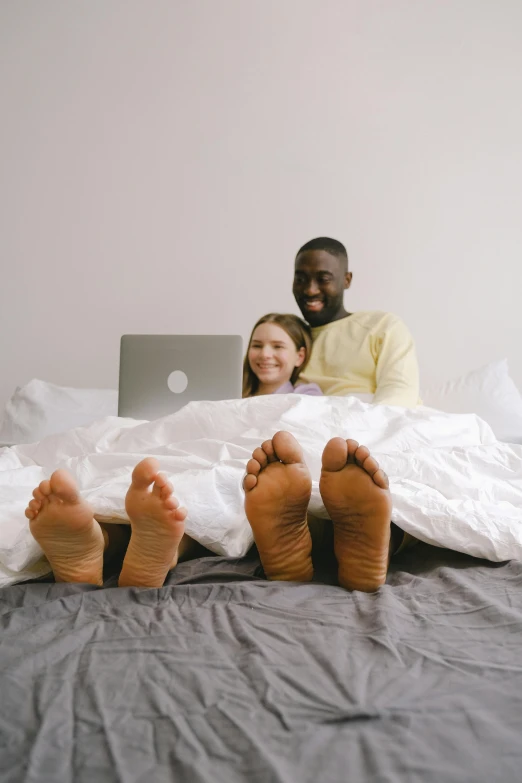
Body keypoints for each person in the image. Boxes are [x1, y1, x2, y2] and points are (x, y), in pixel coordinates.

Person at [292, 237, 420, 407]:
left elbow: (399, 394)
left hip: (365, 425)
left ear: (347, 280)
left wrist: (364, 430)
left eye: (323, 279)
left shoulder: (382, 326)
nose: (310, 290)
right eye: (301, 280)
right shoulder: (286, 338)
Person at [243, 313, 322, 397]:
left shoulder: (306, 396)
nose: (264, 354)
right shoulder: (233, 394)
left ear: (300, 356)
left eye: (278, 346)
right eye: (257, 346)